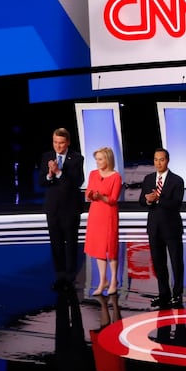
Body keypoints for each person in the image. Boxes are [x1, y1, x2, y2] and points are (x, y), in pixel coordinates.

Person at [39, 127, 85, 292]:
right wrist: (50, 175)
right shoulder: (47, 157)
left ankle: (70, 277)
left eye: (61, 143)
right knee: (56, 243)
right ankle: (60, 275)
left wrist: (58, 172)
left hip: (71, 208)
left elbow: (76, 183)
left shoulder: (77, 158)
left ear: (68, 142)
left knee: (71, 243)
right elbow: (42, 182)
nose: (58, 146)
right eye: (55, 142)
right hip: (53, 208)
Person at [139, 148, 185, 309]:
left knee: (176, 262)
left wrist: (158, 199)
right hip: (154, 228)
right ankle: (163, 294)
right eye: (156, 159)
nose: (158, 163)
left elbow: (176, 204)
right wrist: (149, 201)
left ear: (168, 160)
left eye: (162, 159)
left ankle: (177, 295)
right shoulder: (148, 179)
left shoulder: (177, 181)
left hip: (172, 228)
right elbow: (141, 201)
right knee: (159, 263)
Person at [84, 146, 122, 296]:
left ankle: (113, 281)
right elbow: (88, 192)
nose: (97, 162)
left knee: (110, 248)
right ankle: (102, 281)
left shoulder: (116, 177)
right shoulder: (93, 174)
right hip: (95, 214)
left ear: (108, 159)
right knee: (99, 248)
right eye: (96, 159)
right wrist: (91, 196)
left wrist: (101, 197)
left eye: (100, 159)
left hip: (109, 214)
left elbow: (113, 199)